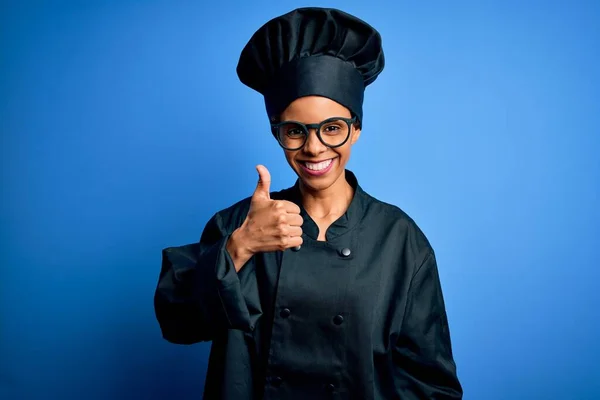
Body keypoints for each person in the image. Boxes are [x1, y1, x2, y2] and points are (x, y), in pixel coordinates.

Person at [154, 7, 463, 400]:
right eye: (295, 131)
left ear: (356, 130)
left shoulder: (399, 239)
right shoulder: (237, 223)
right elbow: (177, 322)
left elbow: (430, 382)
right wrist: (240, 246)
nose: (314, 147)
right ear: (277, 133)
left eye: (332, 128)